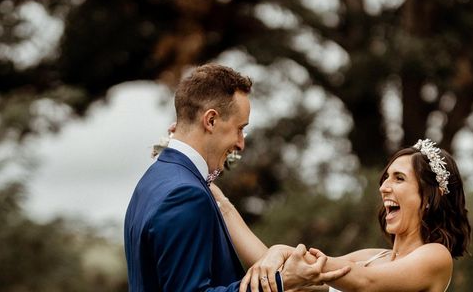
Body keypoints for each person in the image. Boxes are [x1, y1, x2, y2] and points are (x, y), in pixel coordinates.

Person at [124, 64, 349, 292]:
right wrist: (283, 282)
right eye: (240, 129)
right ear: (210, 120)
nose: (241, 143)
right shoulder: (185, 194)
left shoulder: (151, 181)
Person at [211, 138, 471, 292]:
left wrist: (280, 249)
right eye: (385, 178)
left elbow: (366, 283)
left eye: (399, 178)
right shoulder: (370, 257)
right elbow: (282, 274)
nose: (383, 187)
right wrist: (218, 198)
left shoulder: (435, 256)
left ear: (428, 197)